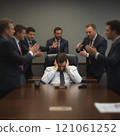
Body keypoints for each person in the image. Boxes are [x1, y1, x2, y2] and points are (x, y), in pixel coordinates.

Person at [0, 18, 39, 98]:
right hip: (7, 84)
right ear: (6, 30)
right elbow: (20, 60)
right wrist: (31, 52)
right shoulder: (5, 43)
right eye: (12, 29)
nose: (14, 31)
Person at [85, 20, 120, 95]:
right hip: (111, 80)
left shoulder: (118, 43)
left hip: (116, 82)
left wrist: (95, 54)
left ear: (114, 31)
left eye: (107, 30)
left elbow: (112, 61)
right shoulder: (115, 43)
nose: (105, 32)